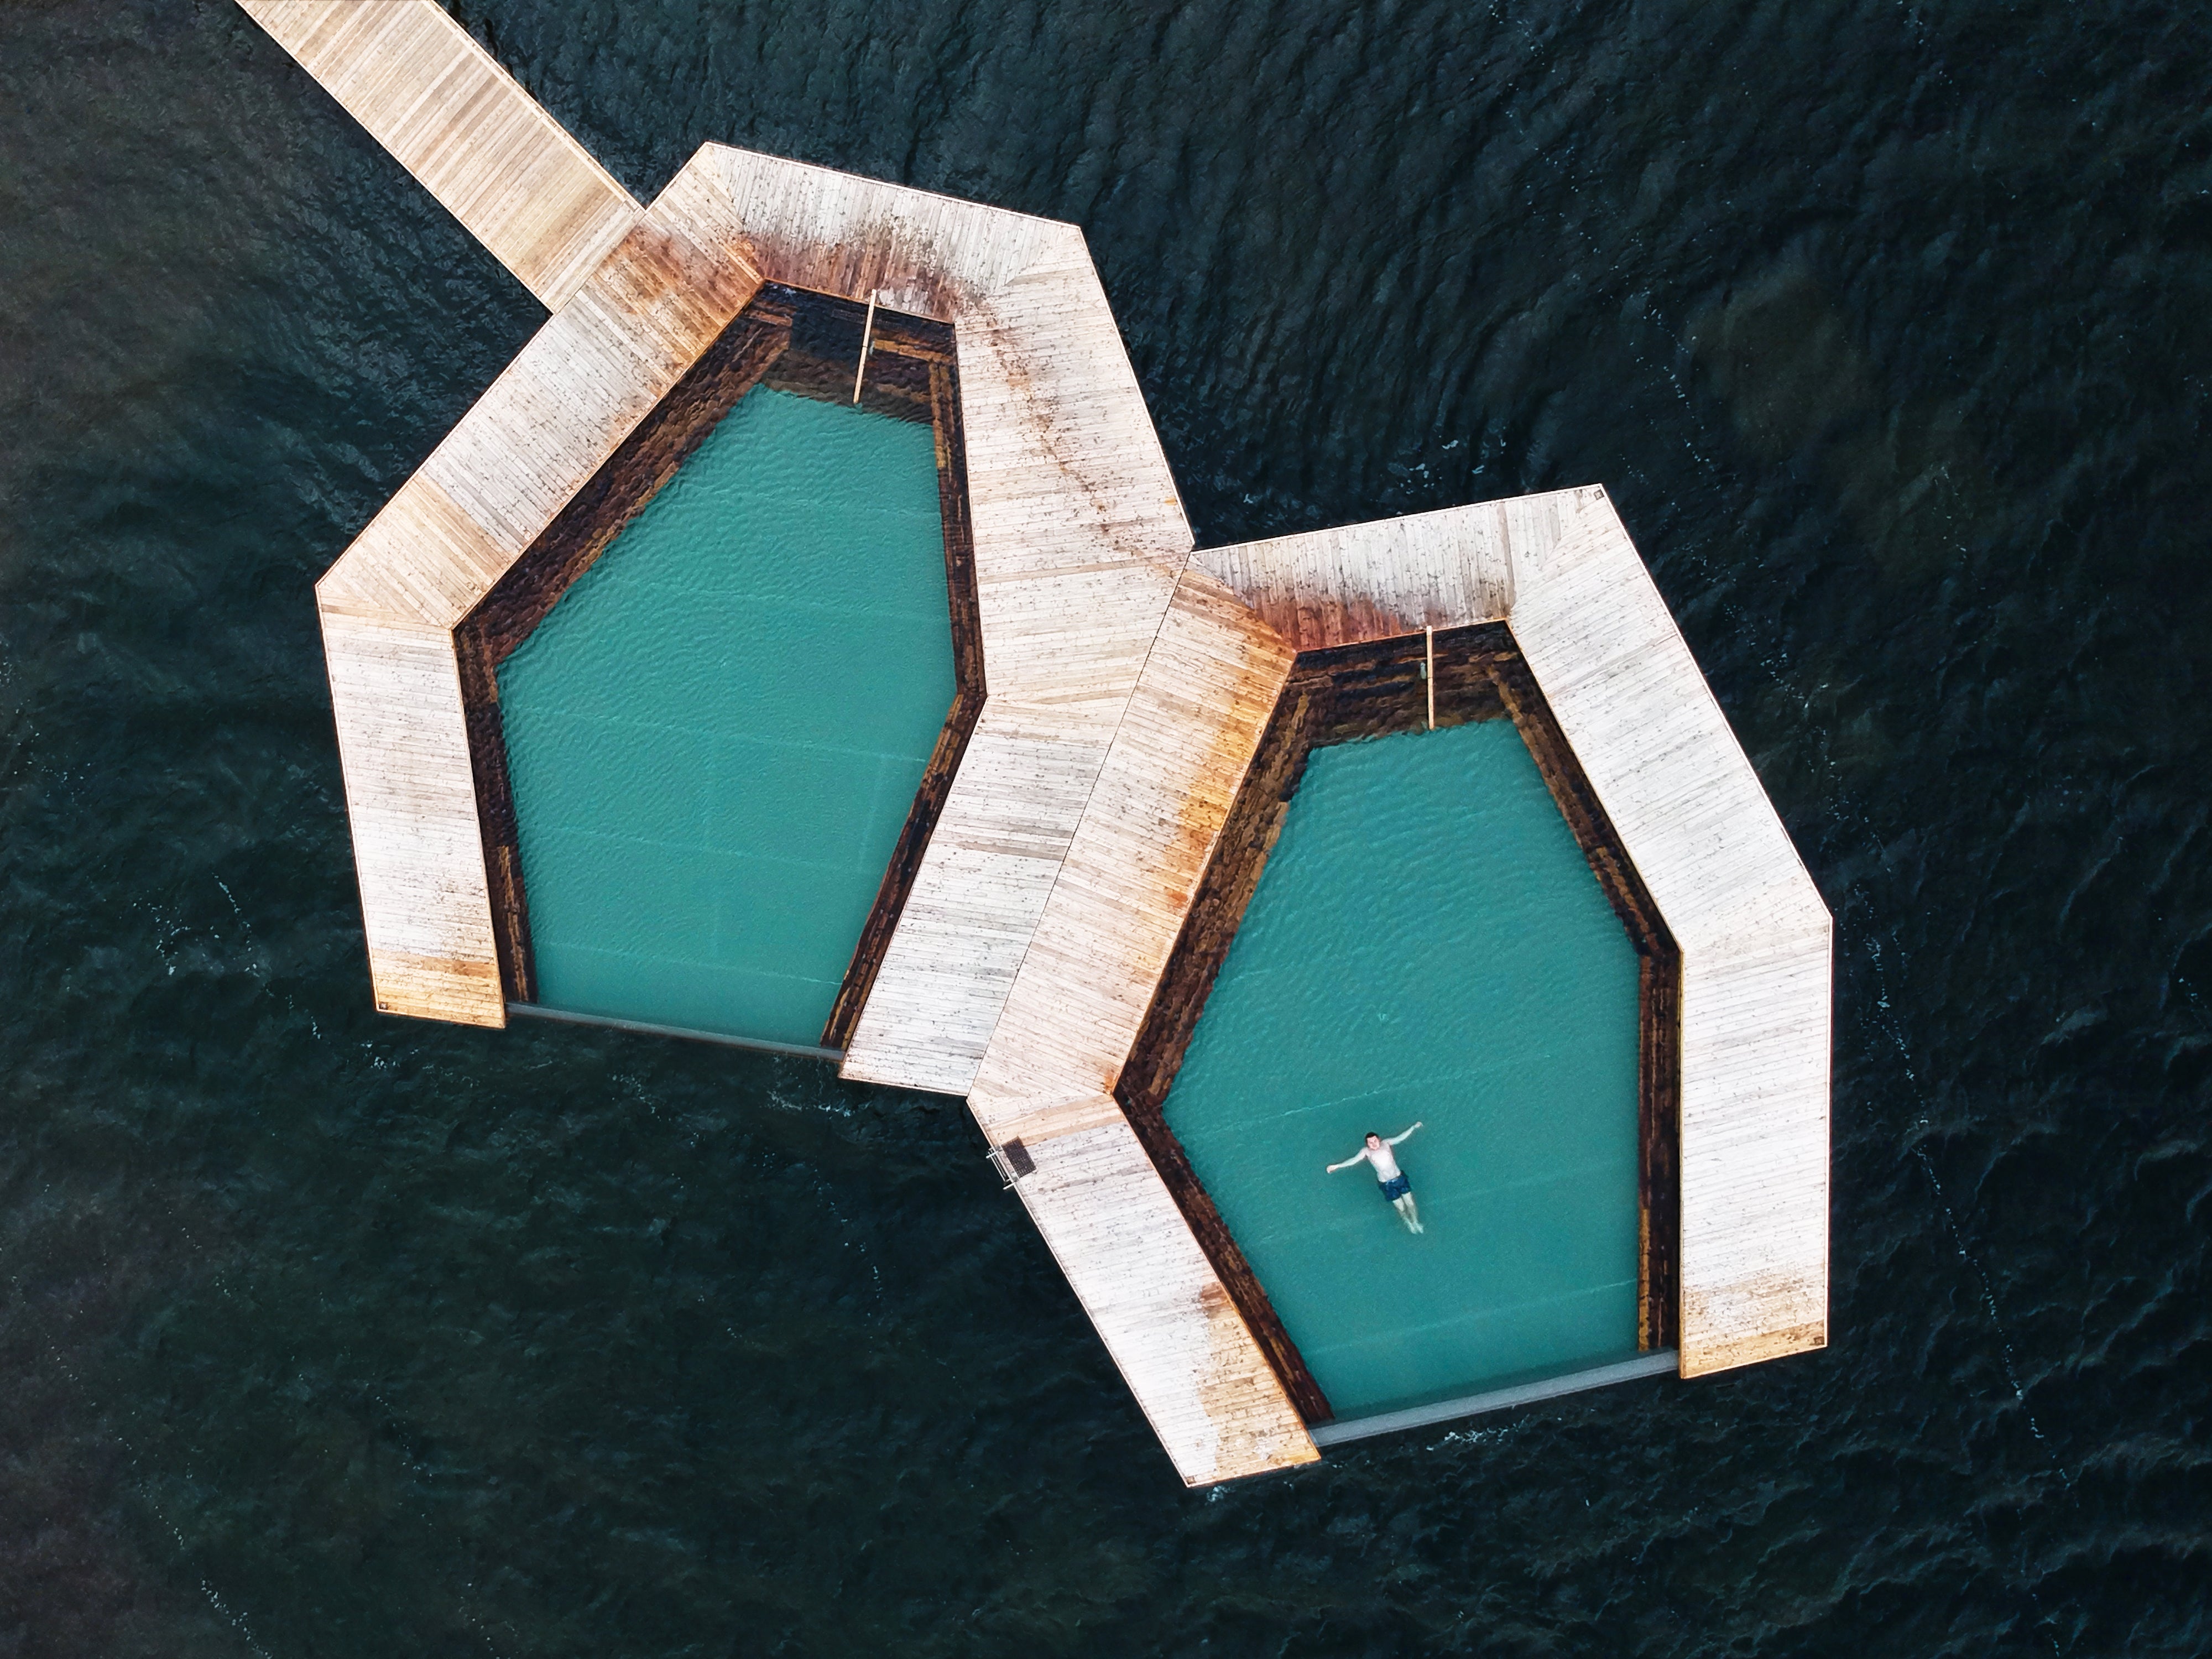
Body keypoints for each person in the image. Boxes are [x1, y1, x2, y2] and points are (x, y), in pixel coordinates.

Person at [1327, 1123, 1426, 1233]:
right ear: (1367, 1144)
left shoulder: (1386, 1143)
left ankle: (1415, 1221)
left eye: (1375, 1141)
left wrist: (1413, 1128)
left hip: (1400, 1178)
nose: (1373, 1144)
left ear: (1379, 1140)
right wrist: (1338, 1166)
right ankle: (1408, 1223)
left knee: (1410, 1203)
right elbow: (1354, 1160)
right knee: (1401, 1207)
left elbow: (1401, 1138)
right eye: (1370, 1143)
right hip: (1387, 1185)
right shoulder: (1366, 1152)